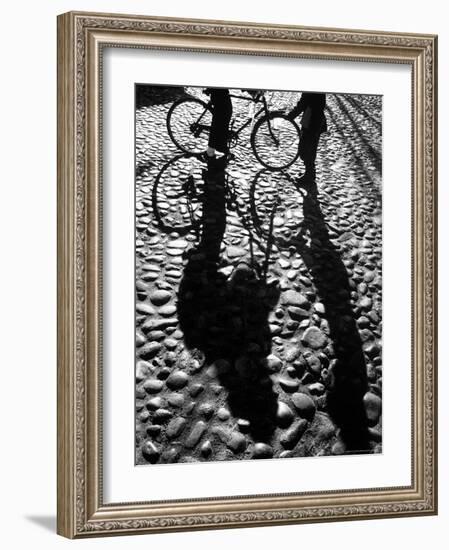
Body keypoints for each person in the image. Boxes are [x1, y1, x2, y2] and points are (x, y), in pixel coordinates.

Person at [289, 92, 327, 181]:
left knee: (306, 148)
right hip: (314, 117)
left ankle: (309, 175)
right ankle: (309, 173)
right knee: (310, 147)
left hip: (312, 119)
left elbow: (304, 101)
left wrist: (292, 115)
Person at [201, 88, 233, 169]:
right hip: (218, 91)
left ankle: (221, 144)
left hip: (219, 90)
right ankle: (210, 151)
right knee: (221, 115)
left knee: (222, 115)